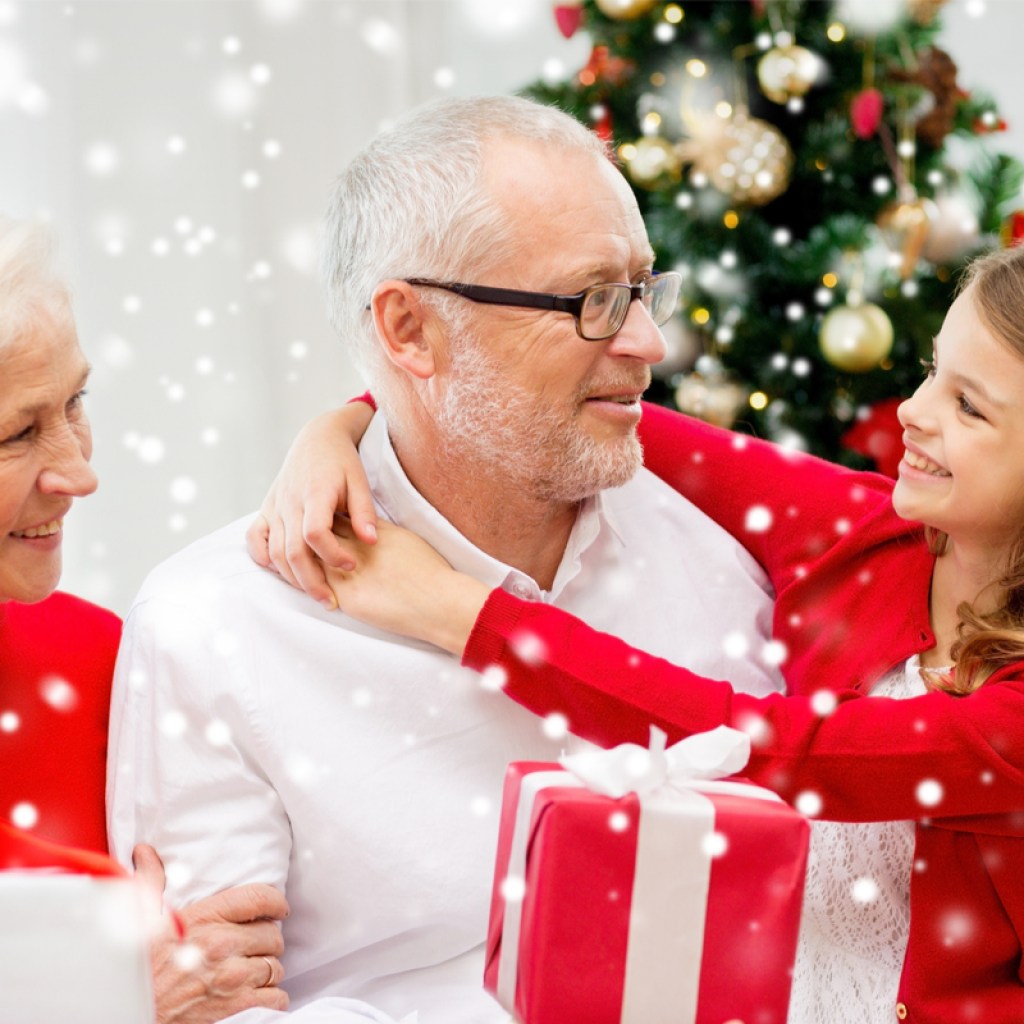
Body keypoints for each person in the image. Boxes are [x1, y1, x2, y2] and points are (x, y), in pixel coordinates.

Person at [106, 94, 793, 1024]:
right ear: (409, 330)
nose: (649, 343)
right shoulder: (213, 626)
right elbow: (221, 1013)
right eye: (592, 301)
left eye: (642, 289)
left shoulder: (724, 552)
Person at [253, 243, 1024, 1024]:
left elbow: (772, 750)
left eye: (969, 407)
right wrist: (340, 426)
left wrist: (456, 611)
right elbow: (559, 406)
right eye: (933, 370)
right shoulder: (855, 528)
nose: (913, 411)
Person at [0, 216, 290, 1022]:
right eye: (17, 434)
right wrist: (105, 998)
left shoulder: (103, 658)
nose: (78, 474)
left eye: (75, 403)